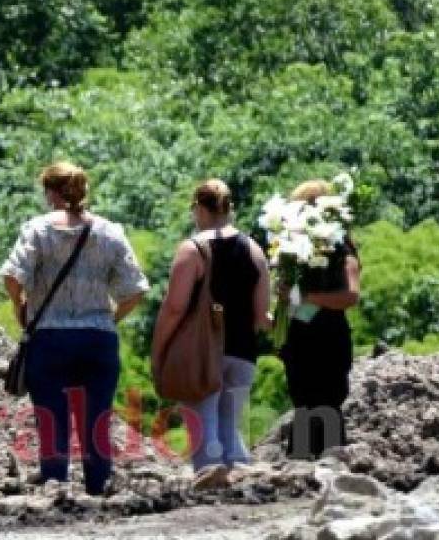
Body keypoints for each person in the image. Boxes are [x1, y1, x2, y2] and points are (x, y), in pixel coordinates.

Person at [0, 162, 149, 496]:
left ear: (51, 192)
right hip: (97, 338)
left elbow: (11, 276)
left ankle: (56, 489)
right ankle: (100, 489)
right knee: (96, 419)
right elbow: (136, 289)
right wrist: (110, 318)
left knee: (52, 418)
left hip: (50, 335)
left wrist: (20, 306)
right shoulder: (110, 232)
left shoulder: (37, 230)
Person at [152, 179, 270, 486]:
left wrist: (160, 347)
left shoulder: (193, 250)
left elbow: (175, 307)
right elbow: (261, 316)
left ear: (200, 209)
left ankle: (210, 498)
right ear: (230, 209)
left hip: (203, 354)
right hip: (243, 352)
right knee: (230, 428)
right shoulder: (255, 250)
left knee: (204, 431)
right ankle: (245, 490)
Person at [278, 180, 360, 459]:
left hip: (328, 337)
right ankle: (301, 469)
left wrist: (311, 297)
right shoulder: (294, 252)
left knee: (327, 402)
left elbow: (351, 295)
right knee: (303, 403)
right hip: (301, 336)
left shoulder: (342, 253)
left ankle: (330, 466)